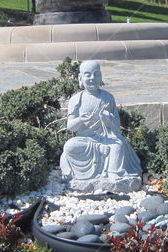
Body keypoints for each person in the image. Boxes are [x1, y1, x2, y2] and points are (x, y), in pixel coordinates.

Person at [60, 60, 141, 191]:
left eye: (96, 74)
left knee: (118, 146)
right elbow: (70, 126)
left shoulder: (108, 97)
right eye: (88, 75)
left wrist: (107, 118)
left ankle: (113, 173)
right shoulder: (76, 99)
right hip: (85, 139)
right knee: (69, 146)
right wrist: (80, 120)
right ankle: (98, 150)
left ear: (101, 77)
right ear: (80, 78)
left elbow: (116, 125)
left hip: (106, 137)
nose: (92, 78)